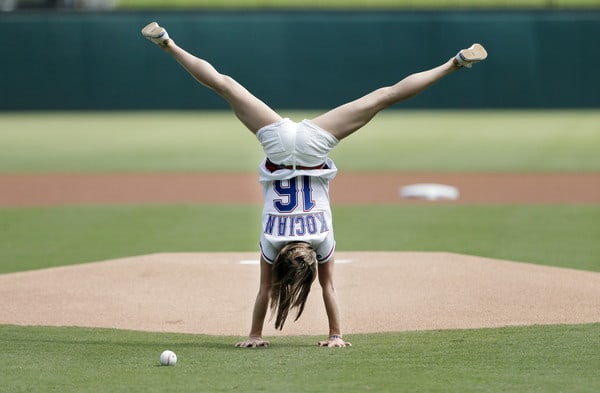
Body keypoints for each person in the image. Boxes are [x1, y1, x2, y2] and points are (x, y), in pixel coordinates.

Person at [141, 21, 487, 348]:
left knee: (227, 84)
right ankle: (455, 63)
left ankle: (167, 42)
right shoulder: (273, 240)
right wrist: (255, 334)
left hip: (310, 146)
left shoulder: (320, 240)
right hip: (281, 143)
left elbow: (326, 288)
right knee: (230, 86)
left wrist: (336, 334)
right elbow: (266, 290)